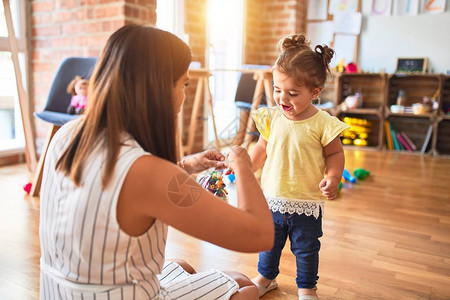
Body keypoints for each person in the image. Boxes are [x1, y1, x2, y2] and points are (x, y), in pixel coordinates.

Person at [39, 24, 274, 300]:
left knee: (183, 267)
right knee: (244, 286)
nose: (184, 95)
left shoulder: (67, 134)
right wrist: (243, 166)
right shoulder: (147, 173)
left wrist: (184, 166)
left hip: (60, 292)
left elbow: (120, 191)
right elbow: (259, 234)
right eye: (183, 83)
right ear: (159, 88)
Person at [249, 34, 350, 300]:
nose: (282, 98)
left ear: (315, 92)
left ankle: (307, 288)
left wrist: (333, 176)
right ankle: (266, 276)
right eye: (277, 89)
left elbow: (335, 153)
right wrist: (247, 166)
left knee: (306, 249)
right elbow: (261, 148)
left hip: (306, 200)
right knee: (268, 243)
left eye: (293, 93)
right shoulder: (271, 117)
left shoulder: (323, 123)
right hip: (272, 196)